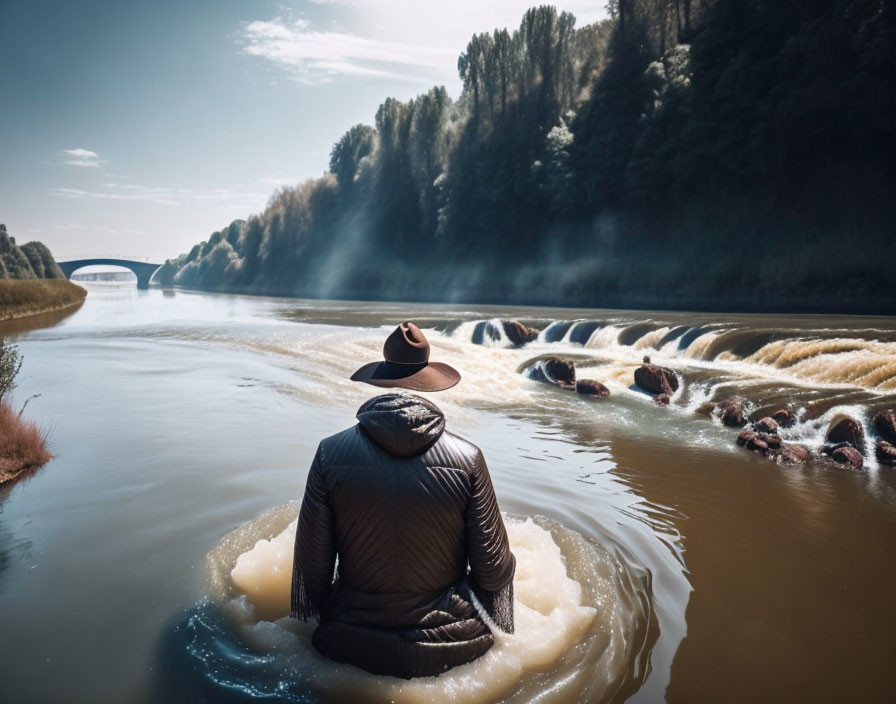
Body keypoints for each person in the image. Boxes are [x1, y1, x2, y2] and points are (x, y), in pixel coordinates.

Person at [290, 321, 516, 679]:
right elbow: (493, 571)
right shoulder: (469, 457)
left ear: (379, 378)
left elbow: (311, 570)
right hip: (454, 650)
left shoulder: (328, 453)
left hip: (348, 645)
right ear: (429, 382)